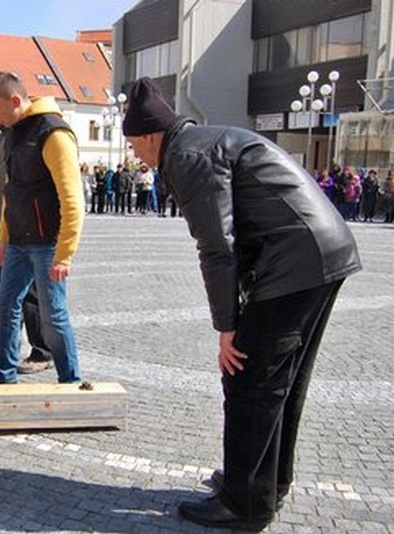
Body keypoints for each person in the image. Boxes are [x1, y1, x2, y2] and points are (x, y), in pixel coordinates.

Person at [123, 76, 362, 531]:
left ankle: (245, 505)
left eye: (135, 146)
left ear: (151, 135)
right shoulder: (201, 142)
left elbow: (217, 246)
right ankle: (264, 484)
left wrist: (226, 326)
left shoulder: (187, 155)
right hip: (319, 251)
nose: (136, 156)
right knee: (281, 383)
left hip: (295, 260)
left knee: (250, 379)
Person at [0, 71, 85, 385]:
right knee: (5, 305)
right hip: (17, 243)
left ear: (15, 100)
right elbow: (11, 191)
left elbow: (72, 198)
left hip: (47, 242)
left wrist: (65, 253)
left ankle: (70, 380)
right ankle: (4, 373)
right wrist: (3, 238)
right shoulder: (12, 132)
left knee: (52, 314)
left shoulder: (53, 133)